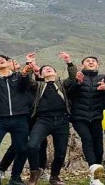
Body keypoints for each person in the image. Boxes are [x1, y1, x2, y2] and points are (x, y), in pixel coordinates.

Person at [26, 52, 77, 185]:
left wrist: (69, 61)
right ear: (41, 75)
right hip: (43, 120)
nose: (47, 69)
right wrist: (29, 65)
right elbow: (28, 80)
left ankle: (54, 177)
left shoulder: (61, 84)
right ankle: (34, 173)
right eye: (44, 69)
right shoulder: (38, 86)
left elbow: (72, 78)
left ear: (55, 72)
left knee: (60, 151)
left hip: (62, 120)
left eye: (50, 68)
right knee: (32, 145)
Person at [0, 54, 34, 185]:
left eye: (2, 59)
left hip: (20, 118)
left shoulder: (17, 76)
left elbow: (24, 86)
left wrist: (24, 74)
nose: (0, 60)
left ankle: (15, 177)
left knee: (22, 149)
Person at [67, 55, 105, 184]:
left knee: (98, 143)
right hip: (79, 116)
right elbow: (70, 94)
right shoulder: (79, 77)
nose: (91, 62)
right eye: (88, 61)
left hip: (97, 116)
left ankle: (95, 174)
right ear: (83, 65)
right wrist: (78, 83)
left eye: (93, 61)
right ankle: (93, 169)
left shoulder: (104, 77)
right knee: (87, 139)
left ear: (97, 65)